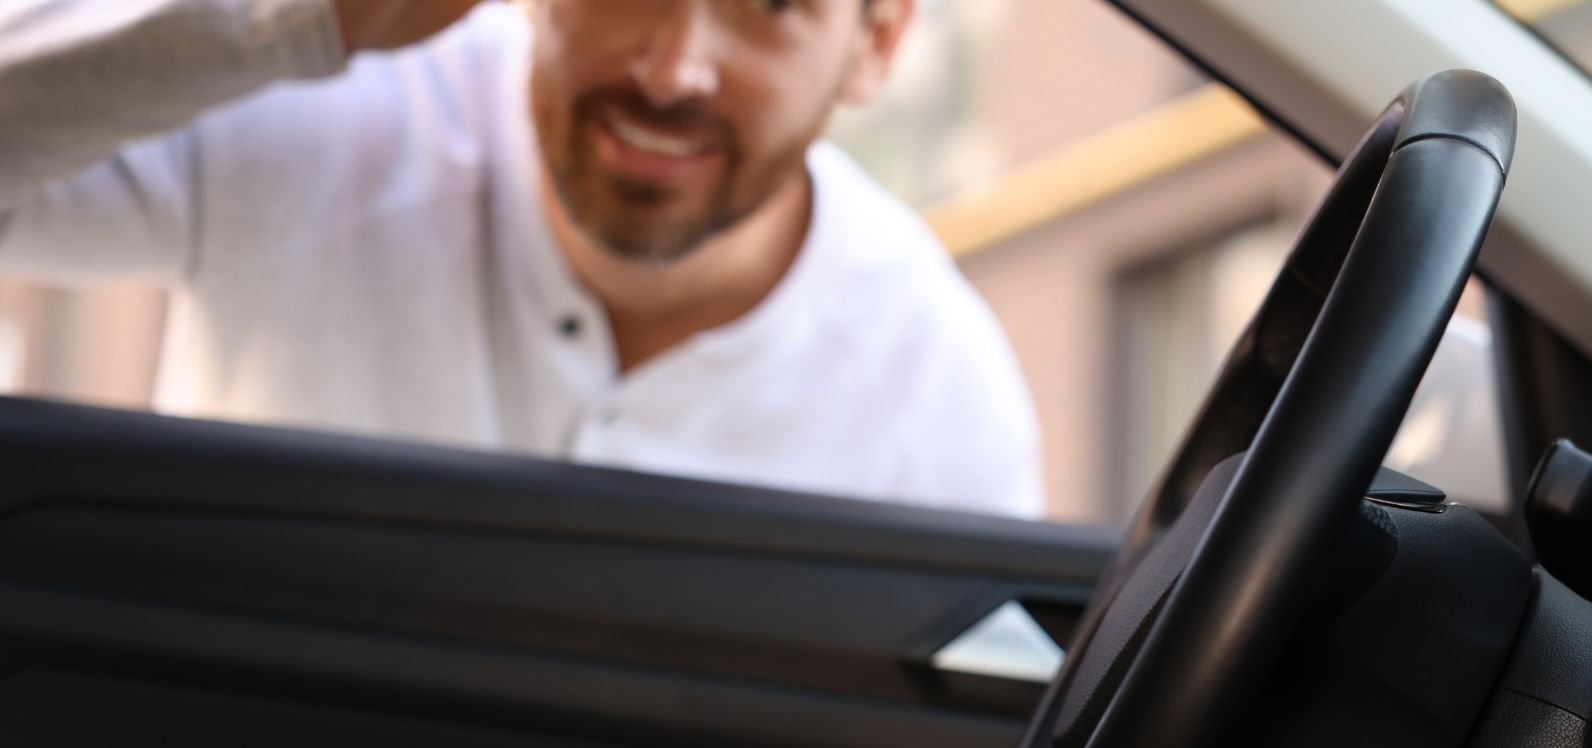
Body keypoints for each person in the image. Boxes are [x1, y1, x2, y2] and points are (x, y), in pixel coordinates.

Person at [0, 0, 1045, 518]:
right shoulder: (317, 111)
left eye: (768, 2)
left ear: (877, 42)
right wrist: (297, 17)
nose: (673, 67)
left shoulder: (941, 392)